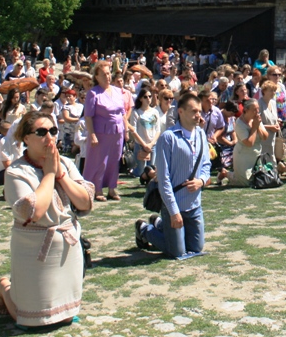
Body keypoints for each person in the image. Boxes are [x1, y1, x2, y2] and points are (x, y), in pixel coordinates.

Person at [0, 111, 94, 329]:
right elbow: (34, 212)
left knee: (66, 317)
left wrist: (60, 175)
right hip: (34, 250)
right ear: (26, 138)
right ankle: (5, 287)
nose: (49, 137)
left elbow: (85, 202)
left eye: (53, 131)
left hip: (67, 247)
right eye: (41, 132)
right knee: (33, 320)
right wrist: (49, 174)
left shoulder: (66, 163)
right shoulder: (16, 171)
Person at [134, 93, 211, 259]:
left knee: (196, 248)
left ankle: (160, 225)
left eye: (199, 111)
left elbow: (206, 164)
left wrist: (201, 181)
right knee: (176, 252)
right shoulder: (168, 138)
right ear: (181, 112)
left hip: (194, 205)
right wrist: (174, 212)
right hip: (174, 204)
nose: (198, 115)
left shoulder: (201, 134)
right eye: (193, 111)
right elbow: (164, 179)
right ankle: (144, 230)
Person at [84, 61, 126, 202]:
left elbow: (123, 112)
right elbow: (88, 116)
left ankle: (112, 188)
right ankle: (98, 189)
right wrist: (92, 134)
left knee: (115, 158)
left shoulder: (117, 90)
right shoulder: (93, 93)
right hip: (101, 132)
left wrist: (126, 130)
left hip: (118, 131)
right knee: (100, 161)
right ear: (96, 76)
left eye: (108, 73)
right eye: (103, 74)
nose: (107, 77)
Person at [229, 99, 268, 187]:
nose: (257, 112)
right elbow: (249, 143)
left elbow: (265, 137)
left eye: (258, 109)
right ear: (246, 110)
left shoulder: (256, 119)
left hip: (256, 153)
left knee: (258, 180)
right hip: (243, 154)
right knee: (245, 183)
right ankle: (226, 173)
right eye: (254, 109)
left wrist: (258, 126)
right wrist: (254, 127)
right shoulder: (239, 123)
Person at [130, 87, 162, 179]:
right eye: (145, 97)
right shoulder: (136, 112)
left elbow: (158, 130)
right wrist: (144, 145)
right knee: (140, 172)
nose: (148, 98)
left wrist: (151, 144)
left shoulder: (155, 112)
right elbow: (133, 130)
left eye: (150, 96)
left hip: (153, 145)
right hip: (141, 144)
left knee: (151, 169)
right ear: (140, 98)